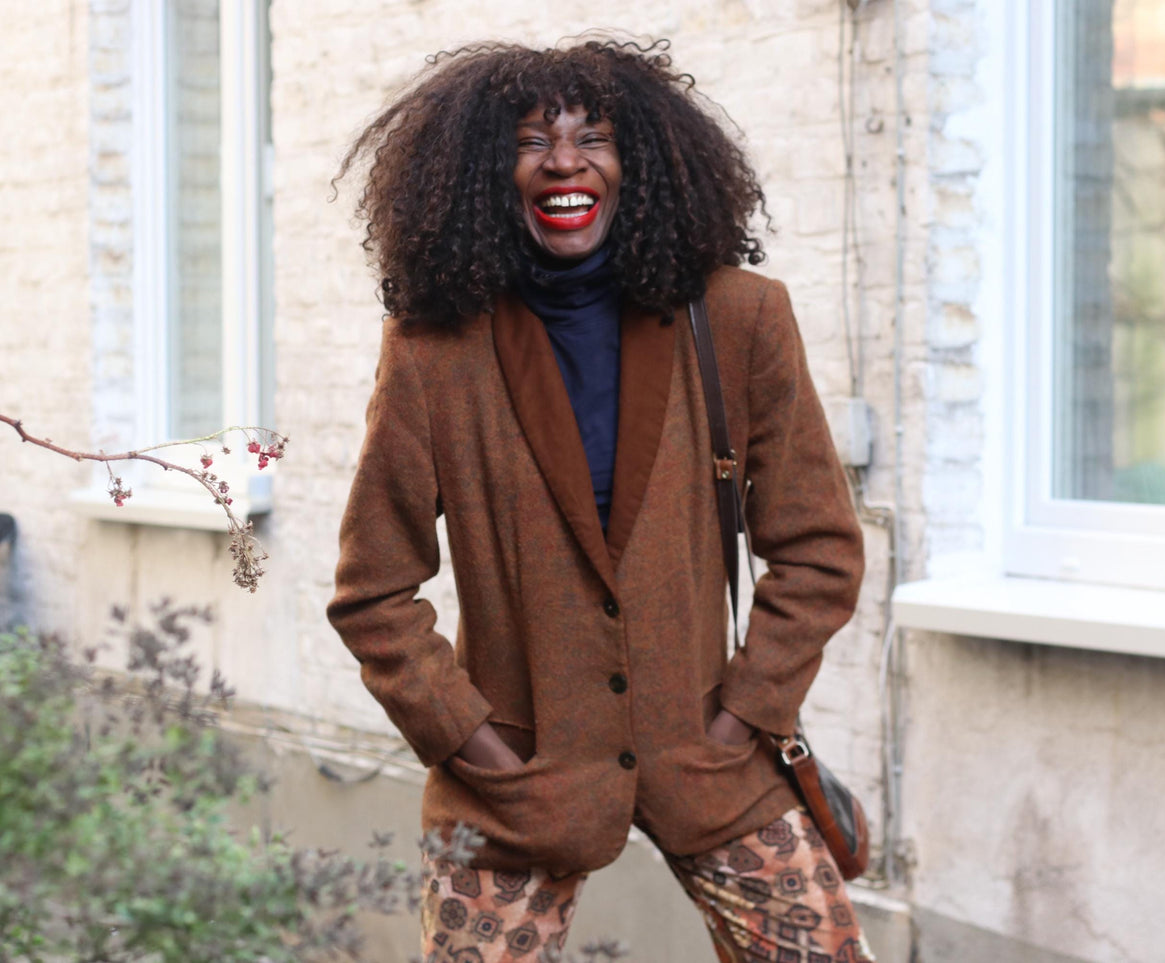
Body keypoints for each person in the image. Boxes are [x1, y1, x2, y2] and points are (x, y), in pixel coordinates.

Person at [327, 38, 873, 962]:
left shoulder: (740, 318)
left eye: (594, 138)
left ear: (642, 163)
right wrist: (473, 744)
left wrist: (745, 711)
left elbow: (820, 547)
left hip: (716, 764)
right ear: (483, 176)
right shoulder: (432, 351)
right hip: (515, 787)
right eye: (530, 141)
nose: (564, 161)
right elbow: (372, 593)